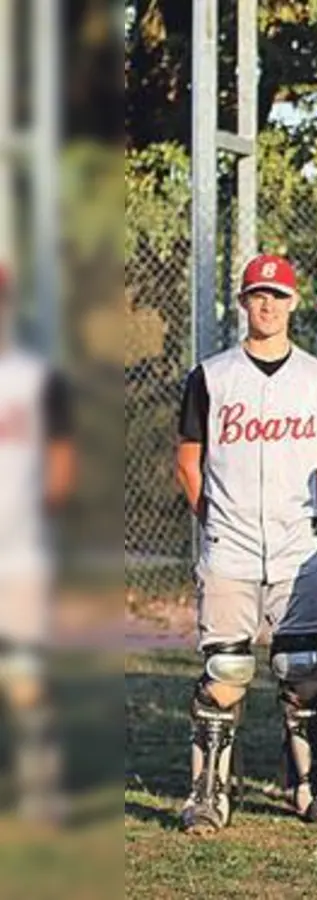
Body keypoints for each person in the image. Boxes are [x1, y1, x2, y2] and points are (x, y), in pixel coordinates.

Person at [173, 254, 317, 833]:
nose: (267, 305)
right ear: (243, 303)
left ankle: (312, 785)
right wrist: (218, 517)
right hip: (232, 544)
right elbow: (189, 461)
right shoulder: (212, 375)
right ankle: (208, 792)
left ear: (294, 302)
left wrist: (310, 508)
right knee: (226, 667)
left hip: (297, 544)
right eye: (257, 295)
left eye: (277, 295)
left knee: (304, 667)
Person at [0, 261, 75, 824]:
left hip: (18, 545)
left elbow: (59, 465)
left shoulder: (35, 377)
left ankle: (39, 780)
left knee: (23, 667)